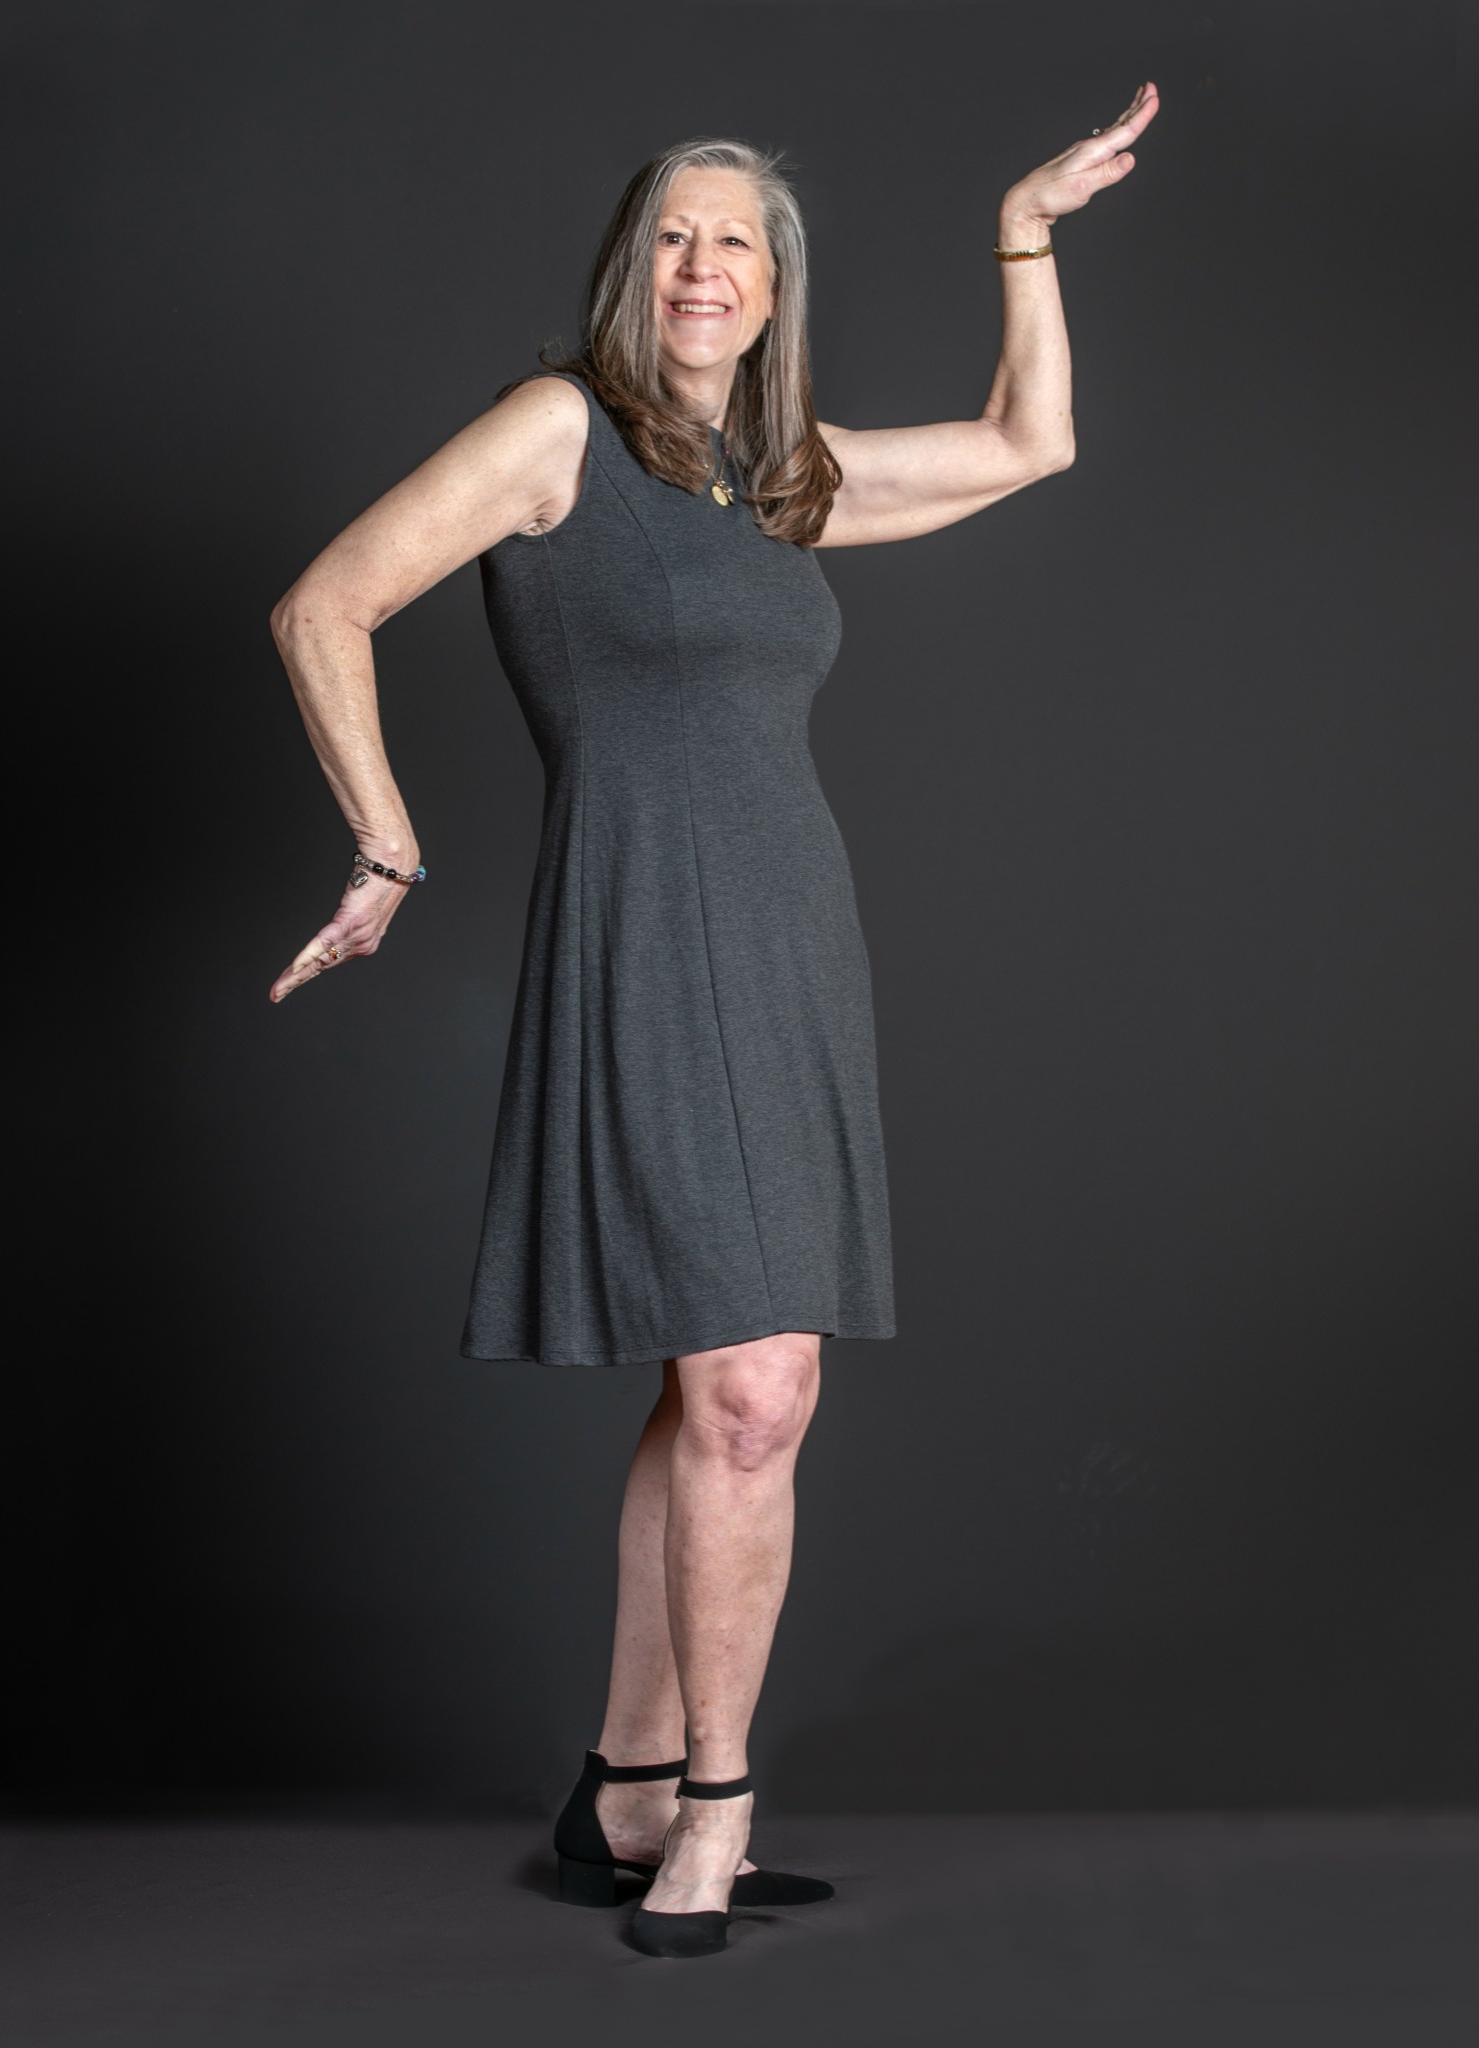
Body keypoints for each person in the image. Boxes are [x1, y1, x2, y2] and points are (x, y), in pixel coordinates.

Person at [268, 89, 1159, 1958]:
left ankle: (621, 1786)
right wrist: (387, 842)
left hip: (790, 940)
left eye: (734, 241)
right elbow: (326, 604)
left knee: (718, 1389)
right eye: (673, 234)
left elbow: (1032, 441)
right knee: (755, 1391)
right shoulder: (554, 432)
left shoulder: (778, 477)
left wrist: (1022, 230)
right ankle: (715, 1808)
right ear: (631, 265)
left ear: (773, 286)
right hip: (641, 935)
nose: (701, 267)